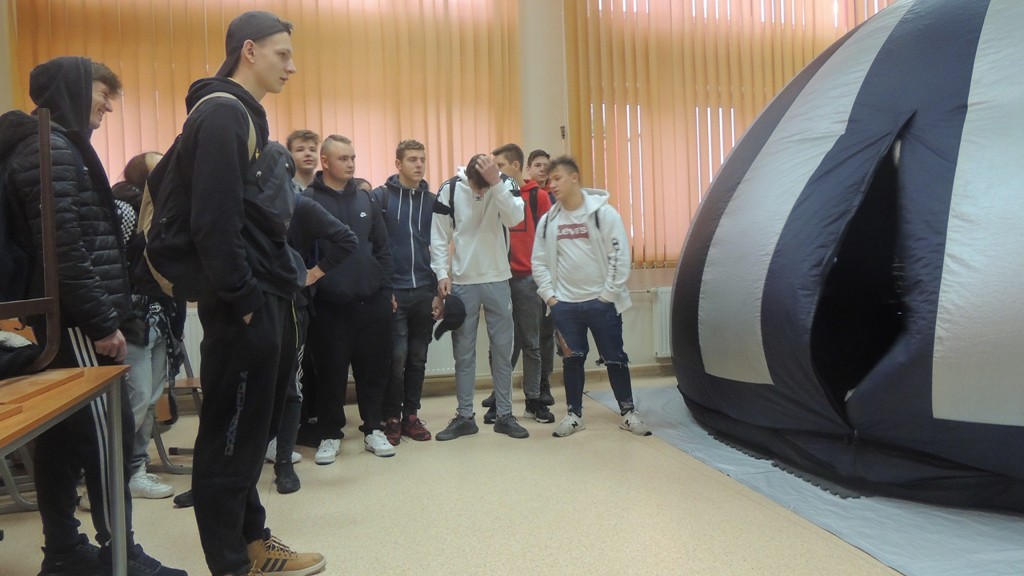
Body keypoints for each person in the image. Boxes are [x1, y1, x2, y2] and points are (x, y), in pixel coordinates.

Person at [0, 57, 186, 576]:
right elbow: (64, 250)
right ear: (74, 90)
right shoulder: (52, 149)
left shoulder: (49, 145)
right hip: (79, 321)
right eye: (103, 94)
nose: (108, 106)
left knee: (61, 437)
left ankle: (63, 551)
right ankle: (120, 554)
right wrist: (103, 322)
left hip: (70, 316)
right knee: (110, 436)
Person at [179, 11, 324, 576]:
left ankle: (254, 541)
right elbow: (212, 223)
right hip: (244, 300)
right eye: (282, 54)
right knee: (230, 437)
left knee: (248, 434)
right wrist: (242, 300)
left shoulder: (242, 115)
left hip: (262, 293)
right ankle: (231, 564)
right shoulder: (221, 114)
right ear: (248, 51)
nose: (292, 66)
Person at [531, 156, 652, 438]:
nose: (552, 184)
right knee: (572, 360)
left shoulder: (603, 214)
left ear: (574, 177)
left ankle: (628, 413)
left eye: (557, 178)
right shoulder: (549, 221)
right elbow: (538, 261)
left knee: (615, 358)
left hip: (602, 304)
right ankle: (574, 415)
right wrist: (551, 298)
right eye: (550, 180)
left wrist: (608, 295)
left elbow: (620, 256)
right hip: (565, 306)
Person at [268, 138, 359, 493]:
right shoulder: (242, 206)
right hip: (253, 306)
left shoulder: (300, 204)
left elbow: (346, 240)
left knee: (290, 386)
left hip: (294, 306)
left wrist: (312, 274)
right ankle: (243, 460)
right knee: (251, 388)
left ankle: (283, 462)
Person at [305, 135, 396, 462]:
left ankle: (373, 429)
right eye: (343, 158)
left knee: (373, 371)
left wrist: (386, 291)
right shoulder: (308, 200)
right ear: (325, 162)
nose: (350, 164)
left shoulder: (366, 199)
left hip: (371, 303)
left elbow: (382, 249)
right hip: (329, 307)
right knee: (330, 375)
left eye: (353, 158)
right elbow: (302, 253)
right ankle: (330, 434)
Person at [430, 154, 530, 440]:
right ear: (470, 179)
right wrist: (441, 274)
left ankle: (505, 415)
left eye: (485, 188)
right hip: (463, 281)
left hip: (498, 278)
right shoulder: (450, 188)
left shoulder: (504, 183)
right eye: (479, 188)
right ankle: (464, 417)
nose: (481, 193)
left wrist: (496, 183)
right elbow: (439, 236)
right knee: (463, 354)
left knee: (502, 351)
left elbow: (515, 218)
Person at [113, 151, 185, 501]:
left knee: (151, 398)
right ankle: (117, 475)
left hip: (161, 315)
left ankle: (137, 469)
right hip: (131, 316)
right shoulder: (124, 209)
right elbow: (113, 264)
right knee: (137, 398)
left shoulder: (164, 211)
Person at [479, 143, 554, 425]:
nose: (495, 171)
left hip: (528, 279)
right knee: (500, 344)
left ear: (515, 166)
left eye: (499, 166)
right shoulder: (492, 195)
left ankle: (533, 399)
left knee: (531, 343)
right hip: (499, 278)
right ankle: (501, 400)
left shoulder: (538, 197)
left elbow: (548, 240)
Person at [371, 140, 439, 445]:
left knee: (418, 358)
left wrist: (439, 291)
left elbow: (440, 247)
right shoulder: (380, 198)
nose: (419, 164)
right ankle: (391, 417)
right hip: (395, 291)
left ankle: (411, 415)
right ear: (398, 164)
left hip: (424, 289)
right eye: (412, 159)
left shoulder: (433, 201)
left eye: (422, 159)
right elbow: (373, 246)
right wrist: (384, 289)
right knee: (395, 358)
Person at [526, 148, 556, 405]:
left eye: (546, 165)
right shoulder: (521, 196)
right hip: (523, 273)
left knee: (546, 333)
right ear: (528, 169)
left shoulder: (557, 197)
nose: (542, 169)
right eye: (537, 165)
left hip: (549, 274)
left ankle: (544, 383)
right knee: (519, 335)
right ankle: (500, 389)